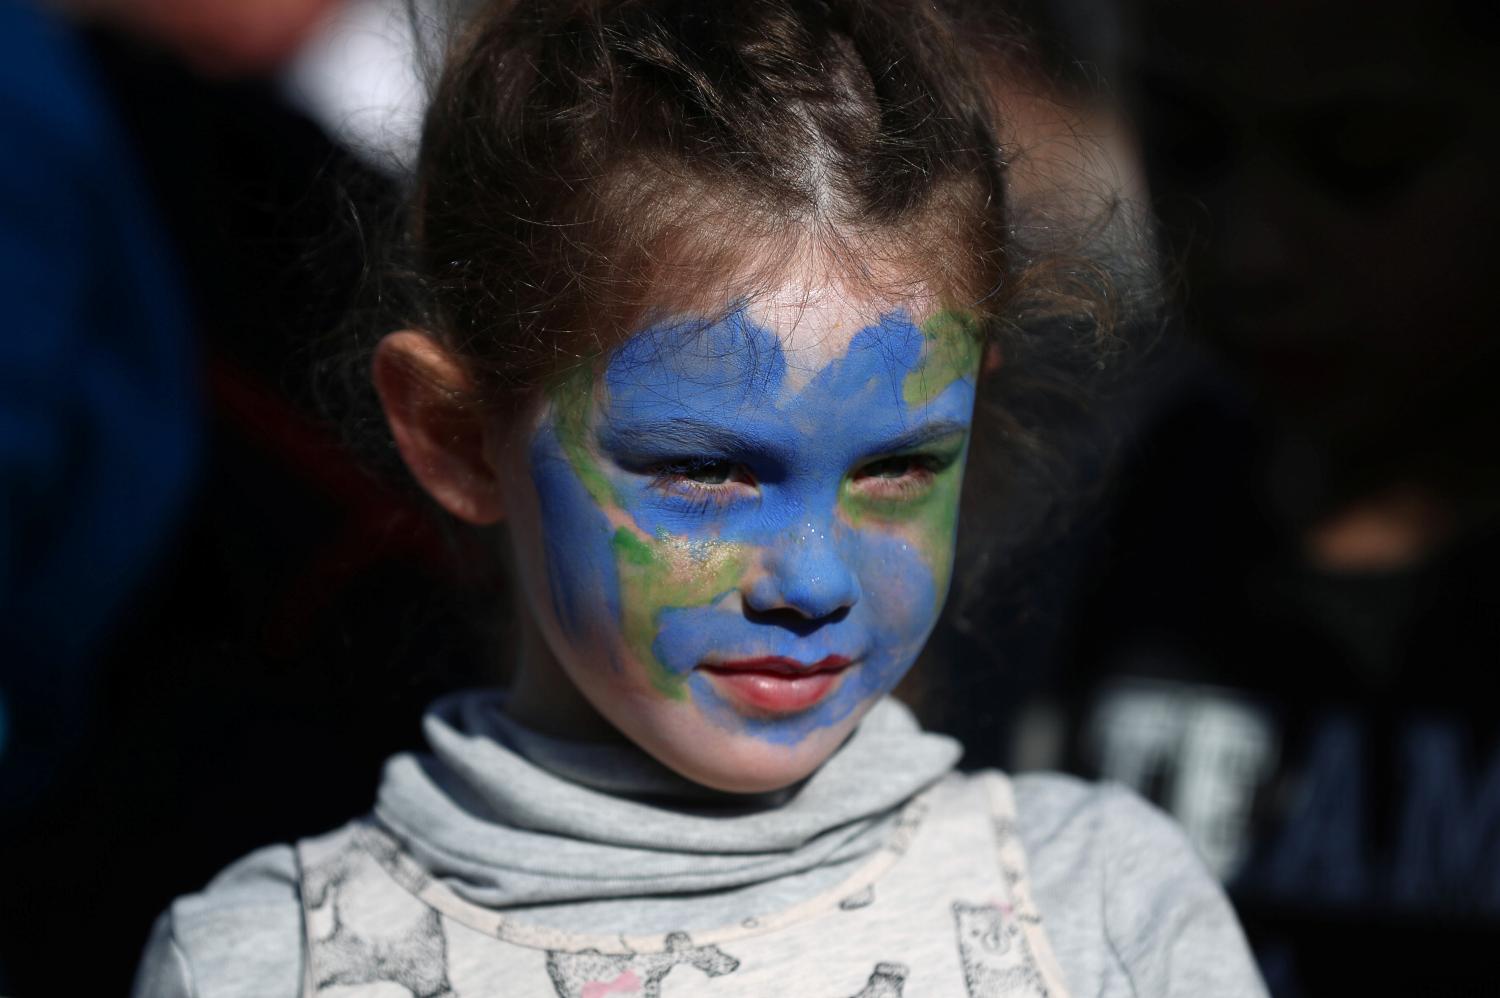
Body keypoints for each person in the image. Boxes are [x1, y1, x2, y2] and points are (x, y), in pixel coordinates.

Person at [132, 1, 1267, 995]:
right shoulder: (266, 959)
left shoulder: (1107, 910)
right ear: (459, 438)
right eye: (705, 472)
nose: (812, 582)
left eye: (898, 468)